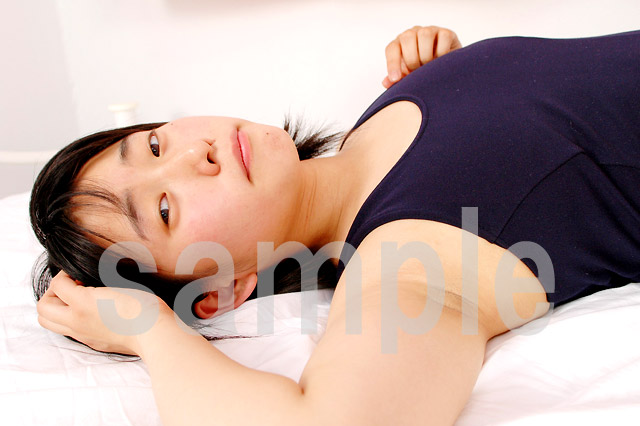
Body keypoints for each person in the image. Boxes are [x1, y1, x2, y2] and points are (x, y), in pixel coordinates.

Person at [29, 25, 640, 425]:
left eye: (154, 145)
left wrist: (450, 67)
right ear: (220, 290)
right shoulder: (408, 266)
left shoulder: (374, 124)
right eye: (165, 209)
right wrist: (148, 332)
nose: (196, 154)